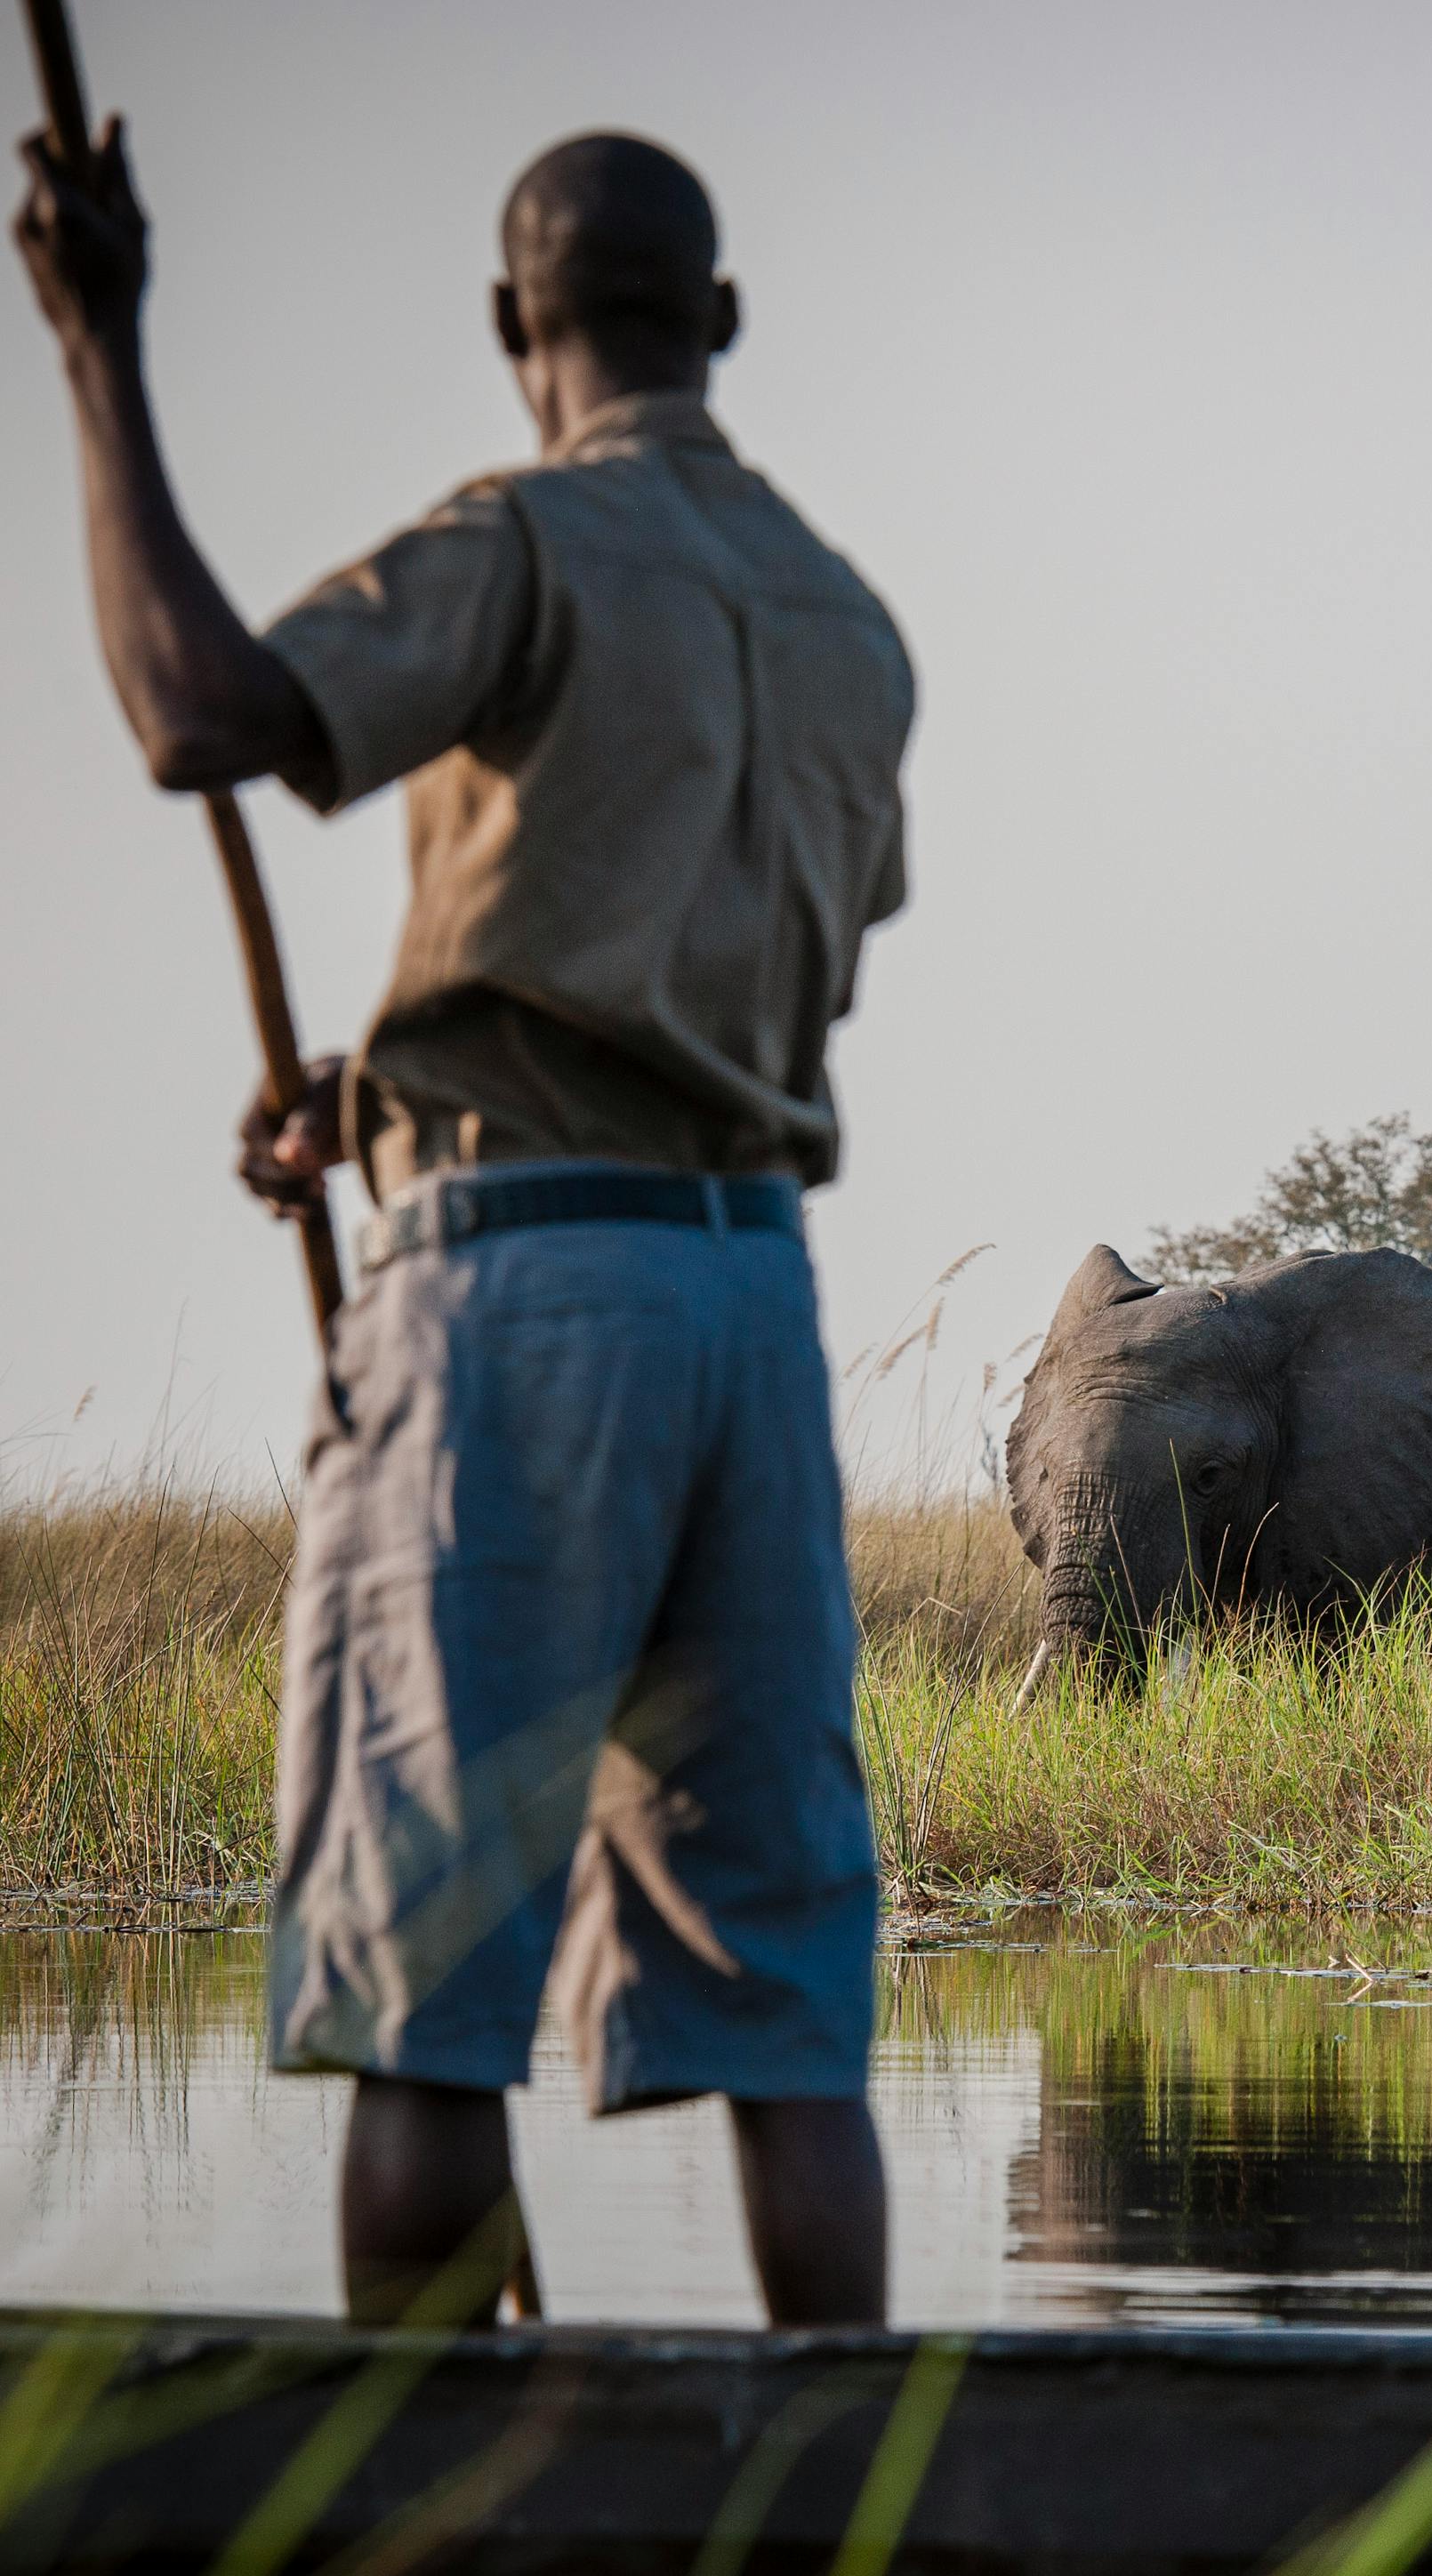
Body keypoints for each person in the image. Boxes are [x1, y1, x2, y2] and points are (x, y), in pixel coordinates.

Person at [15, 119, 913, 2329]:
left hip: (525, 1312)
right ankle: (857, 2519)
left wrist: (99, 351)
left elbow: (197, 714)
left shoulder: (525, 540)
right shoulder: (845, 624)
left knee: (424, 1983)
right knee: (788, 2012)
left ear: (518, 328)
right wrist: (375, 1099)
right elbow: (701, 979)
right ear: (717, 322)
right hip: (746, 1305)